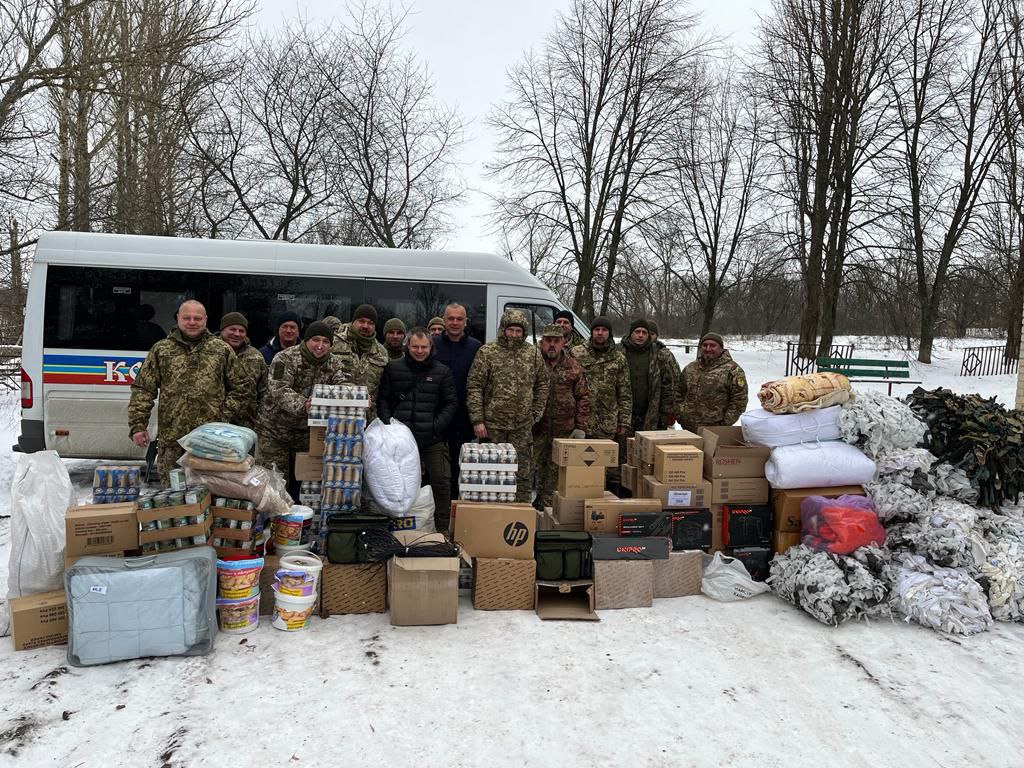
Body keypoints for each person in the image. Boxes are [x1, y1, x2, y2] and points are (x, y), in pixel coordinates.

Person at [128, 299, 252, 485]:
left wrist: (223, 414)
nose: (192, 322)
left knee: (208, 493)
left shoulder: (220, 349)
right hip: (173, 440)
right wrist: (138, 425)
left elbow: (243, 386)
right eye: (187, 317)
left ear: (205, 320)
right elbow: (143, 389)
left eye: (197, 318)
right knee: (173, 494)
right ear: (178, 318)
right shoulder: (162, 349)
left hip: (211, 441)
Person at [378, 327, 458, 530]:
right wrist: (390, 425)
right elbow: (383, 400)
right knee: (395, 484)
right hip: (399, 440)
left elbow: (451, 403)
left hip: (431, 439)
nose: (419, 351)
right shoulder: (393, 368)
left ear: (431, 347)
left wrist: (435, 426)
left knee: (441, 482)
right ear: (408, 346)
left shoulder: (442, 372)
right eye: (415, 346)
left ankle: (441, 528)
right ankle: (395, 526)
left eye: (424, 347)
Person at [466, 309, 550, 503]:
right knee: (492, 472)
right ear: (503, 329)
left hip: (521, 427)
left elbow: (543, 384)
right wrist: (478, 420)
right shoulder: (488, 352)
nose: (513, 334)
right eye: (510, 330)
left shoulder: (533, 354)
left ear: (524, 332)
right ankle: (492, 514)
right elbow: (474, 386)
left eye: (518, 331)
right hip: (492, 426)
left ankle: (521, 513)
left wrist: (535, 414)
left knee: (522, 473)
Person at [257, 321, 351, 493]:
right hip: (275, 432)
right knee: (274, 484)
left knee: (306, 486)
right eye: (316, 340)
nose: (320, 346)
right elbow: (278, 389)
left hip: (307, 435)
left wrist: (356, 398)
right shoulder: (284, 358)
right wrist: (304, 405)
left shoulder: (335, 363)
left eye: (326, 342)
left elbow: (344, 386)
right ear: (306, 340)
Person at [533, 324, 590, 509]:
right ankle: (527, 511)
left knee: (555, 476)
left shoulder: (573, 366)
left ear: (563, 342)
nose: (552, 345)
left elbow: (583, 397)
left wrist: (580, 427)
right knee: (531, 471)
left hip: (563, 432)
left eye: (556, 341)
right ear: (542, 342)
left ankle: (546, 512)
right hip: (536, 429)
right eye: (548, 340)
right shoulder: (533, 362)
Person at [572, 317, 631, 489]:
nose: (600, 333)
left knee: (602, 467)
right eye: (596, 329)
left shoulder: (618, 358)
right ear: (591, 332)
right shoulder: (577, 353)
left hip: (607, 422)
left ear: (609, 333)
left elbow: (625, 392)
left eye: (604, 330)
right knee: (579, 465)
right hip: (581, 421)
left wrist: (624, 421)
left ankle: (599, 501)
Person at [433, 302, 482, 494]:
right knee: (436, 471)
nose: (455, 322)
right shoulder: (433, 345)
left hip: (464, 420)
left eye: (459, 319)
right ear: (444, 320)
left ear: (465, 322)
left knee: (460, 470)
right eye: (451, 318)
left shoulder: (476, 347)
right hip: (436, 418)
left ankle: (456, 511)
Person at [677, 332, 748, 433]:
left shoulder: (733, 371)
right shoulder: (690, 368)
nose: (708, 349)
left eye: (712, 345)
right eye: (704, 345)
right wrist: (680, 415)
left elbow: (739, 400)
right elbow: (678, 392)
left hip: (715, 431)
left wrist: (724, 424)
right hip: (688, 428)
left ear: (721, 348)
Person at [331, 304, 389, 419]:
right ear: (353, 322)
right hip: (335, 415)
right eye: (361, 321)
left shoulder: (381, 352)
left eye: (370, 323)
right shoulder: (334, 343)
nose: (365, 326)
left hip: (367, 419)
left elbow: (383, 389)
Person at [619, 318, 674, 433]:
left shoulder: (659, 354)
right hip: (622, 411)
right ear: (630, 333)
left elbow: (667, 385)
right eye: (637, 332)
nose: (640, 335)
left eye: (644, 332)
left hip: (650, 412)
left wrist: (666, 411)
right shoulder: (618, 352)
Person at [219, 311, 268, 431]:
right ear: (222, 330)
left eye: (242, 331)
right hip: (214, 424)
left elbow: (264, 392)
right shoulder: (210, 352)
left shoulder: (256, 357)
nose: (237, 334)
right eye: (232, 329)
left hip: (247, 427)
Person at [648, 320, 681, 427]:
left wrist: (671, 408)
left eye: (651, 334)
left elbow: (676, 381)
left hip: (661, 407)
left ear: (657, 336)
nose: (648, 337)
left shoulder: (665, 355)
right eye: (646, 333)